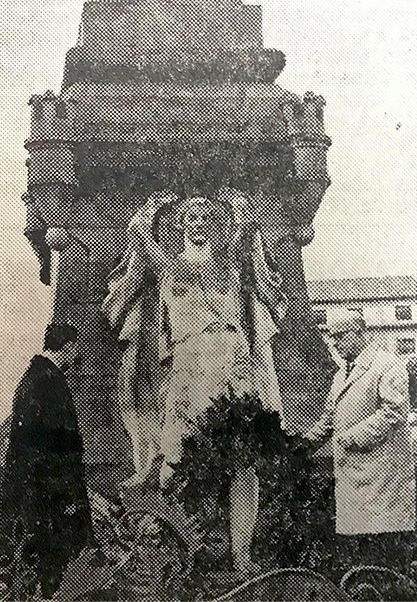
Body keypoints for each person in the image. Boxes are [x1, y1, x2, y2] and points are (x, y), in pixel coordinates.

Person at [102, 189, 286, 576]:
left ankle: (242, 557)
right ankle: (170, 550)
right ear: (180, 227)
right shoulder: (172, 268)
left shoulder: (229, 267)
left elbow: (244, 233)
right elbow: (139, 233)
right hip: (191, 366)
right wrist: (148, 214)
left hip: (235, 364)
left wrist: (239, 209)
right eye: (191, 220)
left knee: (244, 464)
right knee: (175, 459)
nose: (199, 225)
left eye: (207, 219)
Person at [0, 323, 94, 599]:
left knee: (36, 561)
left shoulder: (33, 377)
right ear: (68, 347)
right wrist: (72, 490)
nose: (78, 354)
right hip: (47, 489)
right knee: (52, 566)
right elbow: (62, 443)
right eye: (76, 348)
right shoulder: (50, 380)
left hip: (30, 483)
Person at [306, 310, 415, 566]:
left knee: (384, 550)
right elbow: (329, 419)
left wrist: (350, 438)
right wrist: (302, 444)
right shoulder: (340, 375)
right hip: (354, 477)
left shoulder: (387, 364)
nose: (335, 343)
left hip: (382, 476)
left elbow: (394, 412)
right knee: (361, 553)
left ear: (360, 333)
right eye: (332, 338)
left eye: (341, 336)